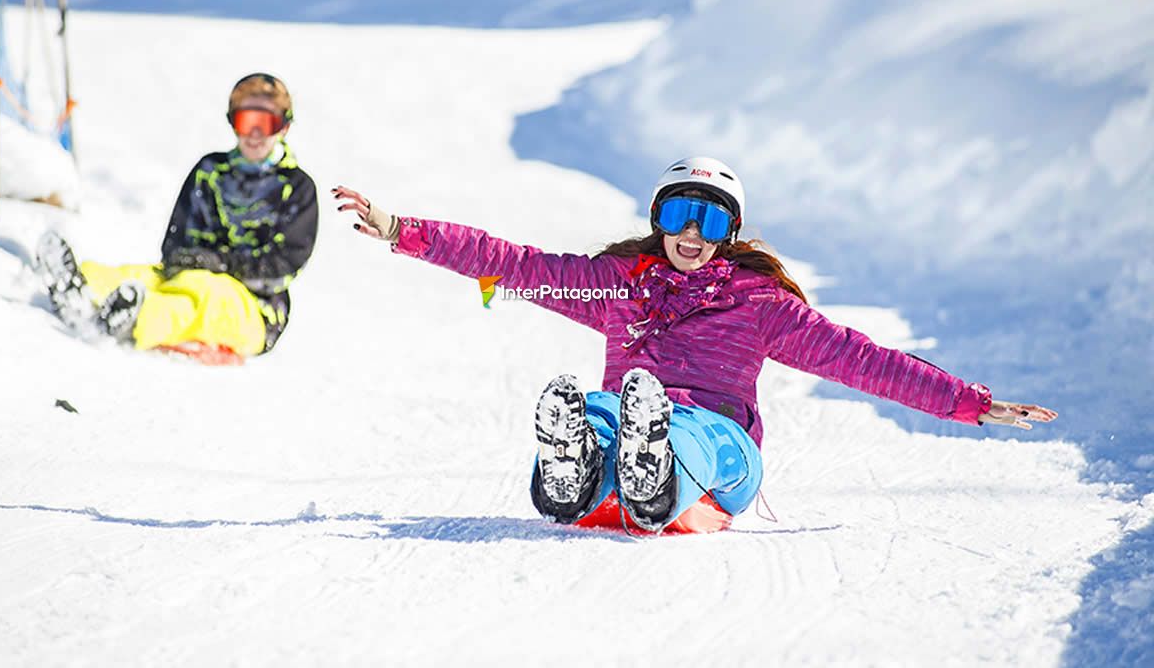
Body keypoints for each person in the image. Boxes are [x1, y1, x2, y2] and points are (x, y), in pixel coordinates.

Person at [331, 156, 1056, 534]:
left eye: (711, 222)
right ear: (658, 217)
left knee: (688, 429)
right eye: (680, 212)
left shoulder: (759, 307)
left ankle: (655, 471)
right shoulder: (616, 285)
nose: (692, 234)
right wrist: (403, 230)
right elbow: (517, 264)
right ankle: (577, 473)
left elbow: (863, 360)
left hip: (723, 459)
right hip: (628, 429)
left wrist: (970, 403)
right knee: (595, 408)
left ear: (730, 235)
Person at [37, 72, 318, 360]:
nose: (255, 134)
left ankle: (134, 318)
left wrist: (222, 264)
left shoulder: (295, 187)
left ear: (283, 127)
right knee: (141, 276)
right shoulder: (210, 171)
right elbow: (176, 237)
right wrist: (184, 258)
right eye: (247, 122)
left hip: (254, 309)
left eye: (266, 123)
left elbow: (285, 263)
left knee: (201, 301)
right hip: (191, 276)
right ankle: (81, 286)